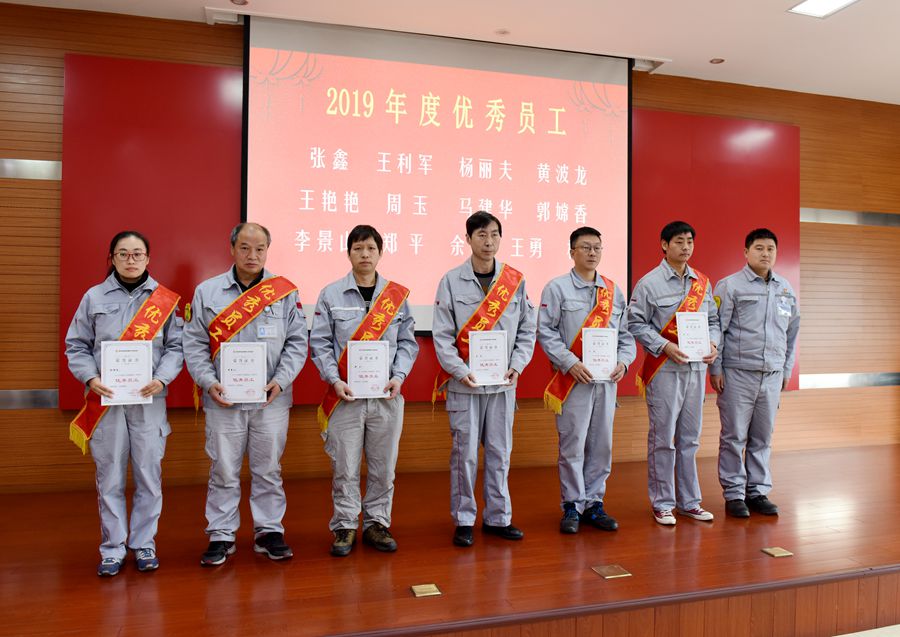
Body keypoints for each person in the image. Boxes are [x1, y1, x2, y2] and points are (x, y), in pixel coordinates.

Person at [183, 222, 308, 566]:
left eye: (260, 249)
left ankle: (269, 531)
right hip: (223, 399)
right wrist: (208, 382)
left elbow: (298, 343)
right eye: (245, 248)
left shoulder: (284, 292)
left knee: (268, 468)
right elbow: (193, 344)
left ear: (268, 251)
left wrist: (280, 381)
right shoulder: (208, 292)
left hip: (271, 399)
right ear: (232, 249)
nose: (252, 255)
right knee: (223, 469)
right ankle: (221, 534)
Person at [65, 230, 183, 576]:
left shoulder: (165, 300)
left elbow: (177, 347)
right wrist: (91, 378)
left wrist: (162, 378)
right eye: (123, 254)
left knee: (149, 476)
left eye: (137, 254)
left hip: (149, 400)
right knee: (110, 477)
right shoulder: (93, 297)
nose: (131, 260)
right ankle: (113, 547)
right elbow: (76, 345)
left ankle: (144, 543)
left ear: (148, 258)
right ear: (112, 258)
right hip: (107, 402)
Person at [310, 225, 419, 557]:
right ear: (349, 253)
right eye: (358, 248)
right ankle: (345, 525)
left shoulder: (397, 297)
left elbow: (408, 343)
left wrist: (399, 376)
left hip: (387, 396)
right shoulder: (331, 294)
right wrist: (334, 379)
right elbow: (320, 344)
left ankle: (376, 523)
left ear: (380, 253)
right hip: (346, 397)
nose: (365, 254)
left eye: (371, 248)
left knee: (383, 467)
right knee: (344, 466)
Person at [432, 211, 537, 547]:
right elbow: (442, 336)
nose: (488, 241)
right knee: (464, 456)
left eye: (494, 234)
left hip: (503, 385)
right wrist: (460, 371)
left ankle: (498, 517)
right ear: (468, 239)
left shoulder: (515, 281)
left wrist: (517, 365)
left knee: (500, 452)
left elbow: (527, 330)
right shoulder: (451, 281)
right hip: (465, 386)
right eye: (481, 235)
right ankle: (464, 519)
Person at [537, 227, 636, 534]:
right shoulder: (556, 288)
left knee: (601, 445)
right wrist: (570, 362)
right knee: (572, 445)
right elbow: (546, 332)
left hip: (606, 382)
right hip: (574, 381)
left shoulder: (613, 291)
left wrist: (624, 362)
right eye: (585, 247)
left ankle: (594, 502)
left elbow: (626, 335)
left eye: (597, 247)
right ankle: (572, 504)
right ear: (572, 252)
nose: (592, 253)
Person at [627, 220, 721, 526]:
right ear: (665, 245)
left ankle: (690, 502)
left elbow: (714, 321)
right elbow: (635, 323)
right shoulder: (649, 283)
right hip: (665, 370)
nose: (686, 247)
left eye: (690, 241)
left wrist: (713, 343)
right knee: (663, 439)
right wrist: (664, 346)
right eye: (679, 241)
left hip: (696, 370)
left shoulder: (702, 282)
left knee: (690, 439)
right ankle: (663, 502)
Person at [710, 228, 800, 517]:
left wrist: (786, 369)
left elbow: (792, 333)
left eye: (770, 249)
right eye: (759, 248)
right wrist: (716, 368)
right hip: (738, 373)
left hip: (771, 375)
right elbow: (717, 329)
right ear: (746, 252)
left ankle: (758, 491)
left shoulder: (785, 288)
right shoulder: (729, 286)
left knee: (762, 437)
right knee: (734, 437)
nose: (765, 253)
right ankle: (734, 494)